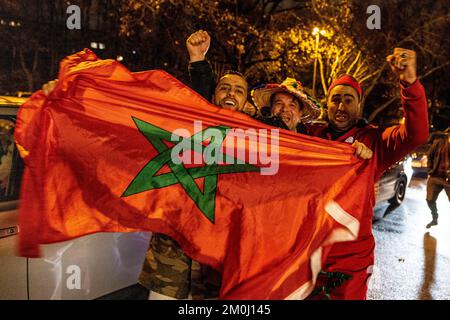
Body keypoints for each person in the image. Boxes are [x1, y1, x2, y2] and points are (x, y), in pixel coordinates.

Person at [295, 48, 429, 299]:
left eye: (348, 99)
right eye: (336, 99)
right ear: (327, 103)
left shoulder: (375, 141)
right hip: (307, 251)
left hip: (350, 256)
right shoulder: (310, 135)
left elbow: (417, 134)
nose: (341, 106)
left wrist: (409, 84)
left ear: (359, 104)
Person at [252, 77, 373, 159]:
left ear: (300, 114)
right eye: (279, 103)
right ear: (271, 108)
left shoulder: (310, 139)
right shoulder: (254, 133)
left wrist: (359, 160)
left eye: (292, 105)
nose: (285, 109)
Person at [425, 130, 449, 228]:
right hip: (435, 176)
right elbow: (429, 155)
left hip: (448, 180)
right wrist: (430, 169)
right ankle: (434, 218)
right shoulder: (439, 142)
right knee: (429, 200)